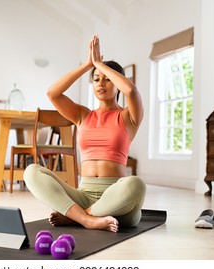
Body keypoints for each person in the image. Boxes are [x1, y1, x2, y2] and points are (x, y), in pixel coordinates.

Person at [23, 35, 146, 232]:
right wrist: (88, 65)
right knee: (32, 172)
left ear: (117, 84)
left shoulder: (128, 117)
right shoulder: (83, 115)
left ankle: (76, 216)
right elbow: (52, 93)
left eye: (107, 79)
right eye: (96, 79)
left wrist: (99, 63)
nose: (100, 83)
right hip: (82, 194)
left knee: (136, 184)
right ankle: (88, 219)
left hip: (117, 199)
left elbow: (131, 91)